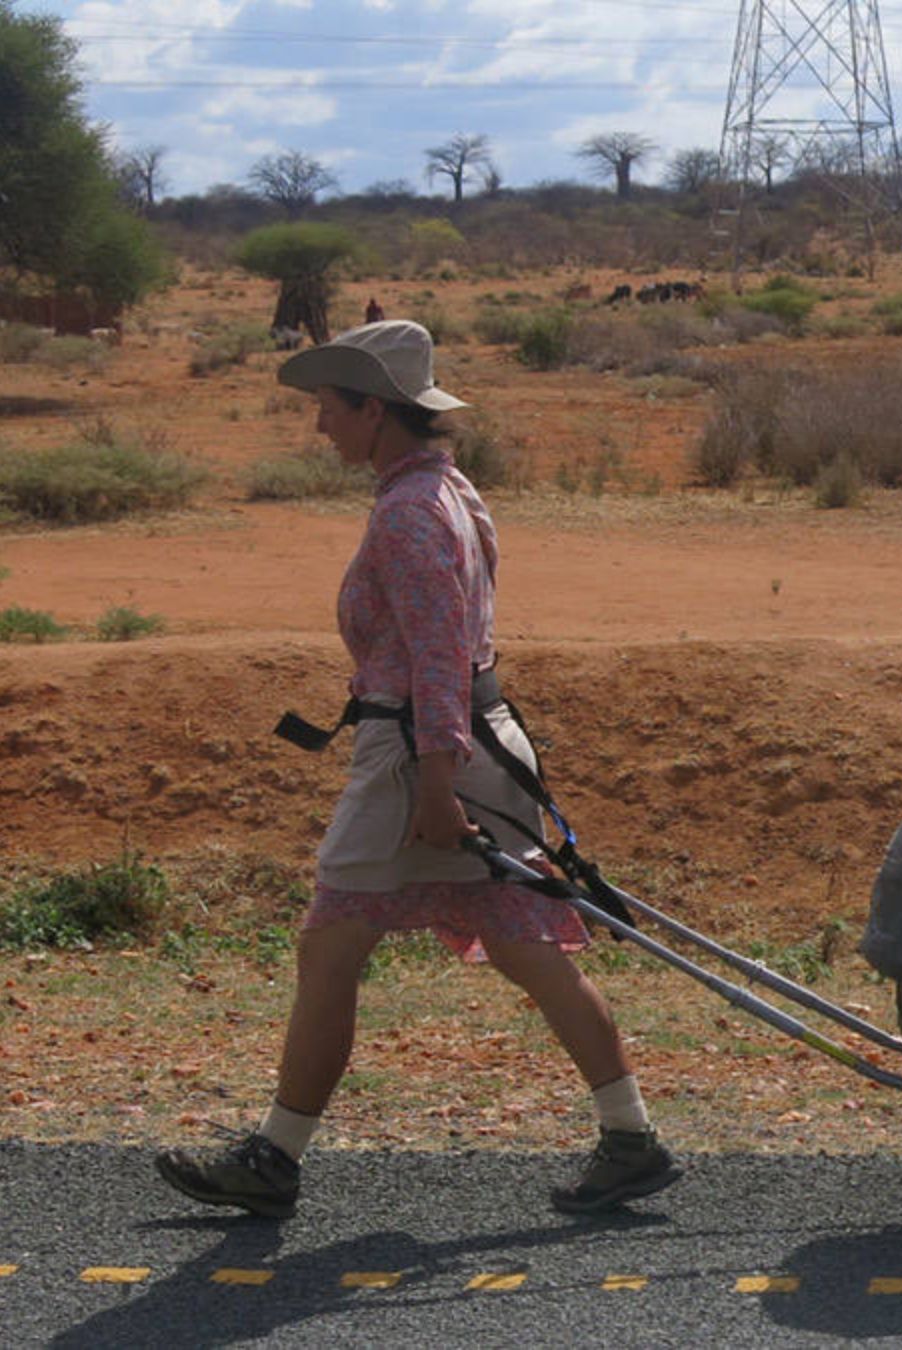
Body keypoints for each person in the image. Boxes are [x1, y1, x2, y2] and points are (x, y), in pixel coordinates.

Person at [154, 321, 679, 1220]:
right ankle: (630, 1138)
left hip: (421, 758)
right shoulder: (448, 487)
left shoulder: (406, 513)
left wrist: (436, 788)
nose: (320, 426)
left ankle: (275, 1159)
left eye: (328, 407)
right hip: (471, 740)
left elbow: (437, 656)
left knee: (330, 945)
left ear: (374, 410)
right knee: (526, 946)